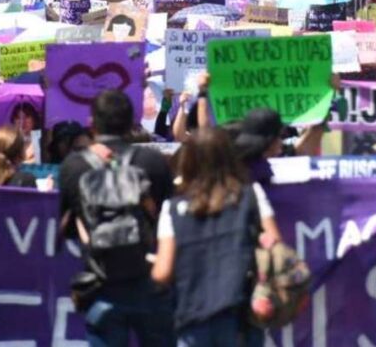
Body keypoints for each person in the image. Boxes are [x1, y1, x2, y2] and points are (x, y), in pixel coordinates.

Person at [58, 90, 175, 346]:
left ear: (91, 123)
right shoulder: (153, 161)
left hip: (101, 283)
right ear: (132, 120)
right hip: (151, 279)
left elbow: (65, 228)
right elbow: (169, 217)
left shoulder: (74, 166)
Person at [151, 128, 278, 346]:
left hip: (192, 317)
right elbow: (275, 245)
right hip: (242, 315)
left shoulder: (172, 209)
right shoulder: (250, 195)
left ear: (188, 161)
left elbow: (162, 273)